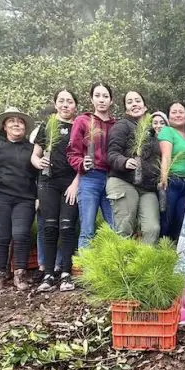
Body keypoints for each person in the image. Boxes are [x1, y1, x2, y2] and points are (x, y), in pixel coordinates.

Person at [0, 107, 38, 291]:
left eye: (20, 122)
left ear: (25, 127)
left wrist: (38, 197)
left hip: (25, 198)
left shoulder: (30, 149)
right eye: (11, 121)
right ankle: (0, 275)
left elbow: (38, 175)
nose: (16, 124)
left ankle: (20, 274)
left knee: (21, 235)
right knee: (1, 236)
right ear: (4, 126)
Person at [31, 89, 80, 292]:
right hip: (47, 182)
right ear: (55, 103)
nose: (65, 104)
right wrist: (38, 162)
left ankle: (66, 273)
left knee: (67, 227)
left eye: (69, 101)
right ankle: (49, 274)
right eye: (61, 101)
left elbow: (84, 160)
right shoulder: (47, 126)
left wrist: (76, 183)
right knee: (49, 227)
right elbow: (34, 155)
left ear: (75, 106)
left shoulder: (80, 126)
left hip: (71, 182)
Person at [106, 91, 161, 244]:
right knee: (125, 229)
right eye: (130, 102)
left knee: (152, 228)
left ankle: (144, 265)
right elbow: (111, 153)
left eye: (138, 100)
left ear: (145, 106)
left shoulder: (151, 132)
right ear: (126, 109)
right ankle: (122, 267)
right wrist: (124, 161)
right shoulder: (122, 126)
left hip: (147, 188)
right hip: (123, 182)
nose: (134, 104)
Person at [67, 82, 116, 248]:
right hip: (89, 178)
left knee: (114, 228)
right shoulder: (82, 121)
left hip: (112, 180)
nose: (101, 100)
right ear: (91, 99)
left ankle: (112, 270)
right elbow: (72, 152)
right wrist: (82, 163)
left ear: (111, 101)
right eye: (97, 96)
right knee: (87, 228)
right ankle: (85, 272)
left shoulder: (116, 125)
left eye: (105, 96)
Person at [158, 102, 185, 240]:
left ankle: (174, 255)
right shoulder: (167, 131)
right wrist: (163, 179)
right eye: (173, 112)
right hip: (172, 181)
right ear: (168, 117)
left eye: (181, 112)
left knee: (181, 223)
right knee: (166, 221)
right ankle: (158, 254)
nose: (178, 115)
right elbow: (166, 155)